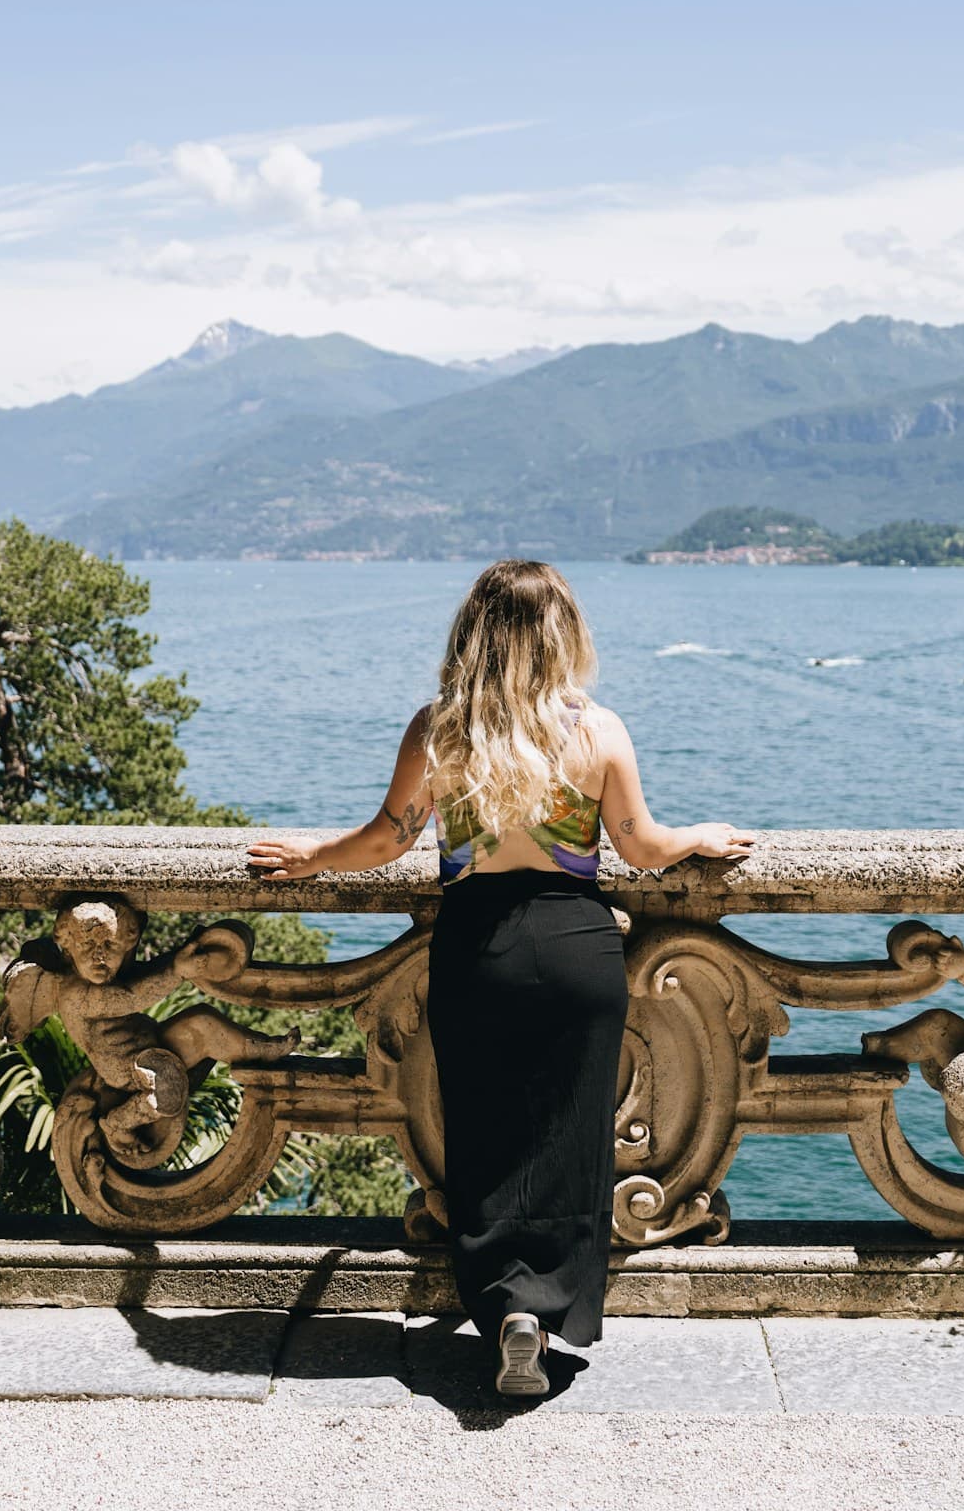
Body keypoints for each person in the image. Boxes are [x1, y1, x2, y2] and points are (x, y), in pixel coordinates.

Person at [246, 560, 753, 1397]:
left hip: (479, 946)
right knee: (568, 1136)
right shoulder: (598, 730)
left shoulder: (441, 729)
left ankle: (504, 1308)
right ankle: (547, 1311)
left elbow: (385, 838)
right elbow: (642, 847)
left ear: (473, 630)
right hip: (576, 948)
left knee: (484, 1133)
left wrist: (309, 857)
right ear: (564, 634)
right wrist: (699, 835)